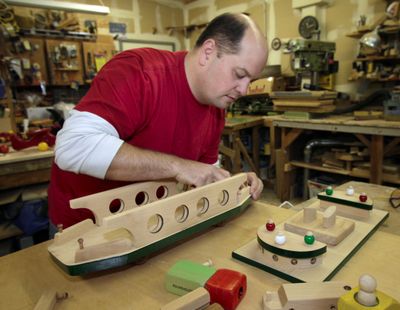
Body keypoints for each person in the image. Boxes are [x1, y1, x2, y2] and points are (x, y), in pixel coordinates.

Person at [48, 12, 268, 229]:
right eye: (239, 74)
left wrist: (233, 185)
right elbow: (71, 146)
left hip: (148, 226)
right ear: (208, 52)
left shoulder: (216, 105)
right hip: (83, 229)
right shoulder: (139, 72)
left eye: (251, 80)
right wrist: (178, 167)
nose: (244, 90)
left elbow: (202, 177)